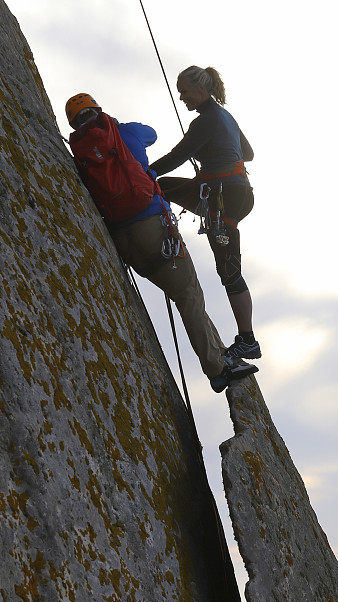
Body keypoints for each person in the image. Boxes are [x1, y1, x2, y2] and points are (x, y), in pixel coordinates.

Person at [64, 93, 258, 393]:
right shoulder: (125, 132)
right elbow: (152, 134)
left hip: (123, 240)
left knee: (181, 293)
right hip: (154, 228)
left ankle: (218, 358)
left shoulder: (80, 152)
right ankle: (219, 369)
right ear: (98, 111)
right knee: (189, 296)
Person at [149, 66, 260, 363]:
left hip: (222, 197)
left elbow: (177, 156)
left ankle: (248, 341)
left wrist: (142, 171)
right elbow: (247, 154)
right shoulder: (224, 117)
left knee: (228, 268)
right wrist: (217, 156)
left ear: (200, 89)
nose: (182, 97)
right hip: (231, 193)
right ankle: (162, 230)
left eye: (184, 91)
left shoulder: (207, 121)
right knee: (163, 188)